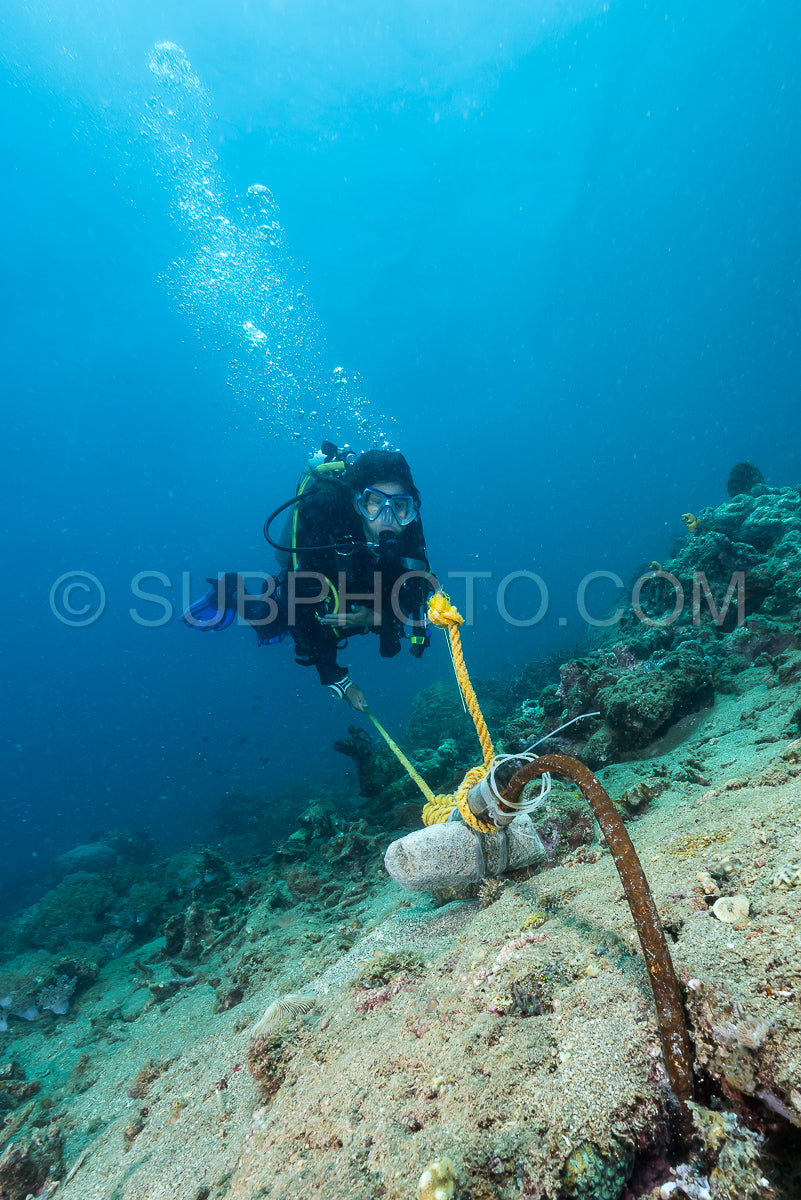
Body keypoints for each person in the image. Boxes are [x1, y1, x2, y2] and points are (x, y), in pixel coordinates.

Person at [182, 444, 435, 711]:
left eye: (400, 505)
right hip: (319, 599)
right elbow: (300, 607)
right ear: (357, 503)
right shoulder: (327, 522)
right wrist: (337, 679)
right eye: (374, 502)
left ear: (411, 508)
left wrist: (382, 617)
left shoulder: (409, 526)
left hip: (368, 599)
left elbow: (418, 584)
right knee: (272, 624)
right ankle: (230, 594)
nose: (388, 517)